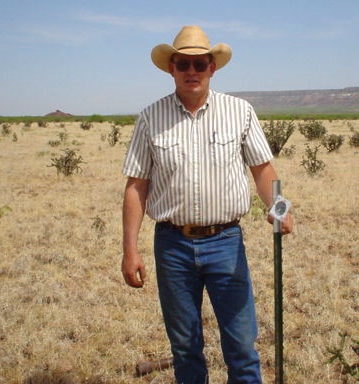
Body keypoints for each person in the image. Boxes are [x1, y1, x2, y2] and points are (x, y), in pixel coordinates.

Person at [121, 25, 294, 384]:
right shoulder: (150, 118)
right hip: (172, 246)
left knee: (242, 344)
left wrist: (280, 208)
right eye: (183, 64)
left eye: (199, 64)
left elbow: (262, 168)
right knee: (185, 346)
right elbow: (136, 185)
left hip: (225, 243)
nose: (192, 72)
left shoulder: (240, 111)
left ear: (212, 67)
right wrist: (130, 250)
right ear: (171, 68)